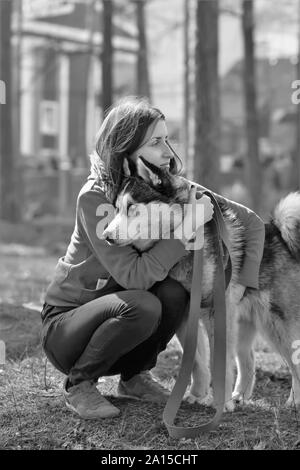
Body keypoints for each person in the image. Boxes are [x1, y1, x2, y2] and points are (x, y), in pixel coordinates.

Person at [41, 97, 265, 420]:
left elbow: (253, 222)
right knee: (143, 303)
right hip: (68, 326)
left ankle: (134, 376)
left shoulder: (164, 188)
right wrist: (186, 230)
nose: (167, 151)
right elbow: (134, 277)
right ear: (126, 147)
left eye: (167, 139)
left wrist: (243, 283)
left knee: (173, 293)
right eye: (156, 142)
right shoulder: (96, 199)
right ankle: (78, 385)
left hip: (118, 322)